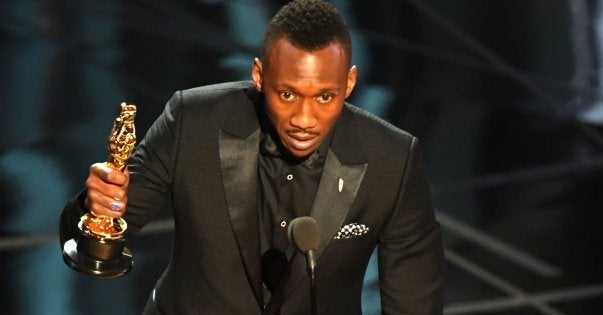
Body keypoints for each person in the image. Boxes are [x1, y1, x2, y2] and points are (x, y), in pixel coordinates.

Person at [59, 0, 444, 314]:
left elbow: (414, 301)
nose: (304, 120)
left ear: (349, 83)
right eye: (287, 94)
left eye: (324, 97)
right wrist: (97, 210)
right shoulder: (193, 121)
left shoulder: (392, 159)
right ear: (259, 76)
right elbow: (98, 244)